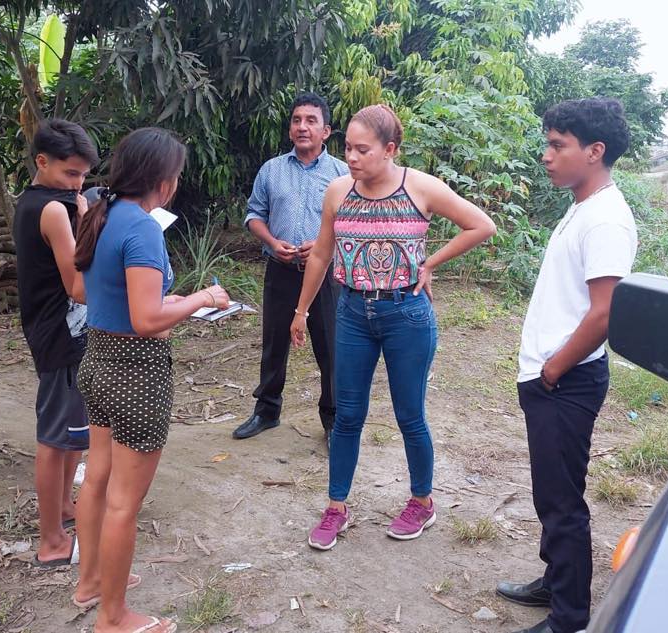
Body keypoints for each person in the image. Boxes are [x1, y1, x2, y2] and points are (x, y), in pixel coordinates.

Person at [291, 104, 497, 551]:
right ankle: (336, 507)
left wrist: (430, 263)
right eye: (348, 147)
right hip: (352, 313)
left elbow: (481, 225)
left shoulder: (420, 187)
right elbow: (322, 254)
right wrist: (301, 310)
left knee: (410, 415)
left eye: (362, 150)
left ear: (390, 149)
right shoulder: (338, 191)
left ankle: (422, 501)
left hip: (406, 315)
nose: (351, 157)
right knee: (347, 416)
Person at [71, 127, 229, 633]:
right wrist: (202, 298)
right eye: (176, 176)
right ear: (162, 180)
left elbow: (83, 290)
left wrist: (166, 301)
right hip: (135, 374)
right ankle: (113, 617)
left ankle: (90, 582)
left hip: (97, 360)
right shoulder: (141, 228)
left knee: (98, 478)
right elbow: (146, 320)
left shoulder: (102, 214)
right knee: (124, 502)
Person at [495, 98, 637, 633]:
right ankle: (555, 582)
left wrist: (554, 369)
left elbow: (605, 313)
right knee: (551, 491)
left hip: (566, 380)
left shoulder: (605, 220)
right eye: (547, 143)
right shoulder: (583, 207)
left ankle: (569, 617)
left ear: (595, 151)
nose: (546, 155)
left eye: (558, 145)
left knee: (561, 502)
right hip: (553, 376)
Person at [232, 93, 349, 444]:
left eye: (311, 121)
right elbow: (254, 215)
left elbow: (353, 223)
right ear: (289, 128)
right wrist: (271, 241)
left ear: (326, 131)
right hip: (280, 270)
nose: (302, 127)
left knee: (331, 348)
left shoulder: (342, 174)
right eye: (297, 120)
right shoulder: (272, 170)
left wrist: (324, 245)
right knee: (274, 343)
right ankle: (267, 411)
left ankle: (333, 419)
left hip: (326, 276)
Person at [13, 119, 96, 567]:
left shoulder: (34, 201)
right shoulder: (53, 211)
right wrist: (85, 220)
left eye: (83, 175)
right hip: (62, 333)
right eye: (70, 173)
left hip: (58, 330)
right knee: (53, 437)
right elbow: (78, 287)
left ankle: (65, 507)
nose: (78, 183)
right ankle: (51, 541)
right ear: (42, 162)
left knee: (71, 432)